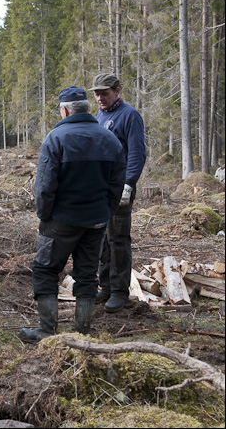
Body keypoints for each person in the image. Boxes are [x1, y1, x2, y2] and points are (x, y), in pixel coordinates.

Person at [18, 86, 126, 343]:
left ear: (64, 110)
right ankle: (82, 333)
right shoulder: (110, 139)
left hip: (60, 221)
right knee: (87, 276)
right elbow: (117, 185)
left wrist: (44, 216)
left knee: (44, 270)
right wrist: (106, 213)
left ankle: (46, 330)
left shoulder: (56, 138)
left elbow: (45, 185)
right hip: (96, 221)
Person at [89, 73, 146, 313]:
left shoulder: (129, 115)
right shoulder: (99, 116)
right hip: (101, 188)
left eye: (105, 93)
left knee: (118, 240)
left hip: (120, 188)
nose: (100, 98)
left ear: (117, 91)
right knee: (102, 239)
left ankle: (121, 291)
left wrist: (128, 184)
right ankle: (107, 286)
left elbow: (136, 153)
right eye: (97, 94)